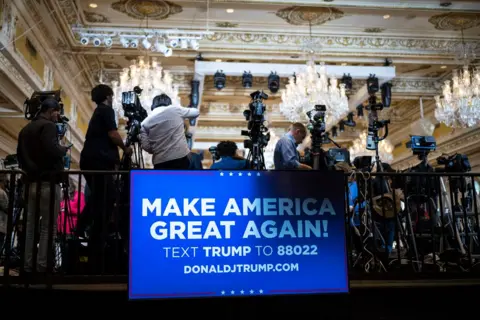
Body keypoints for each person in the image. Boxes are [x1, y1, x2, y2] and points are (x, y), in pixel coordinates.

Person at [78, 84, 132, 273]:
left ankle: (86, 233)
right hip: (98, 162)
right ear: (109, 95)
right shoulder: (106, 110)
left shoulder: (98, 111)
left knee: (100, 198)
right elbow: (112, 134)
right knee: (106, 199)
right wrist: (125, 148)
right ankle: (92, 239)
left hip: (91, 160)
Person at [17, 98, 69, 272]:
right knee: (48, 227)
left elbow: (20, 155)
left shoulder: (26, 129)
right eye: (57, 112)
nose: (58, 116)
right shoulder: (49, 126)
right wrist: (63, 149)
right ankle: (42, 266)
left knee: (30, 226)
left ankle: (27, 264)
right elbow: (51, 150)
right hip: (48, 181)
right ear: (51, 110)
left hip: (30, 182)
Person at [139, 94, 200, 169]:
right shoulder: (175, 110)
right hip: (180, 158)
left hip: (159, 163)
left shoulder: (144, 123)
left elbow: (146, 147)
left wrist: (158, 148)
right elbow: (196, 112)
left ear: (153, 106)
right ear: (169, 103)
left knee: (164, 181)